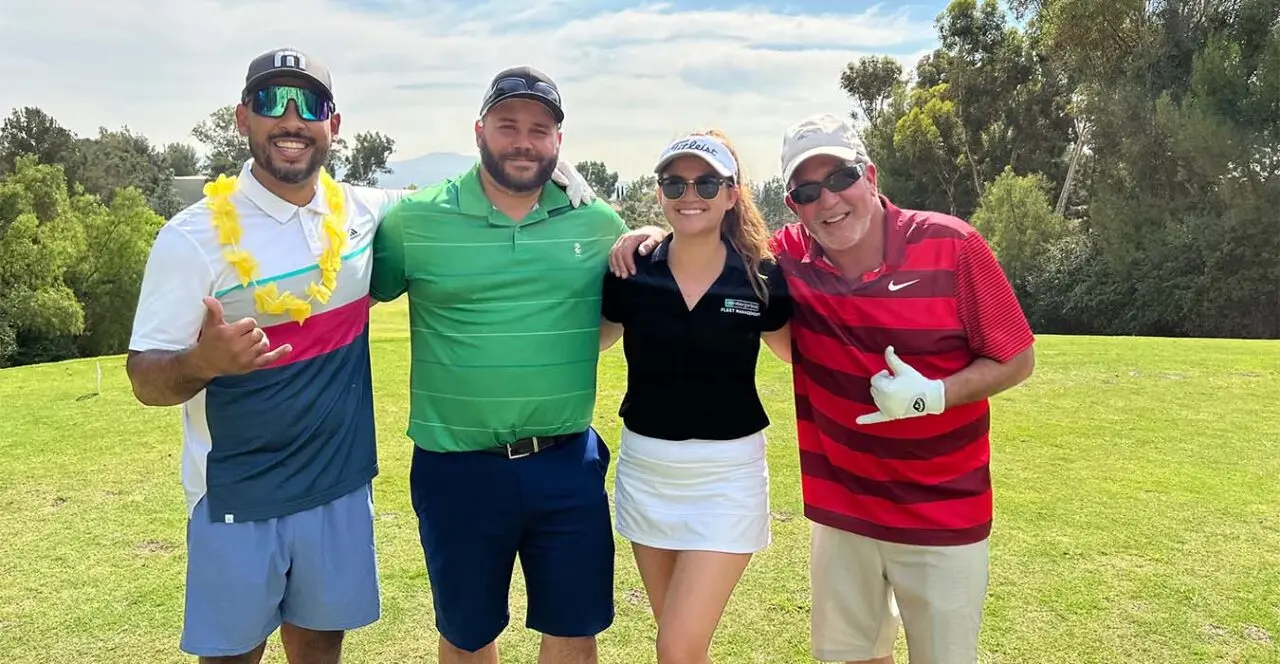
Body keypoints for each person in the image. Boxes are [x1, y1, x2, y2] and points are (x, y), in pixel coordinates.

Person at [125, 49, 595, 664]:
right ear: (243, 117)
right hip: (236, 494)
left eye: (309, 105)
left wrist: (561, 173)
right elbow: (144, 378)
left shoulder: (366, 213)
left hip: (337, 489)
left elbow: (463, 198)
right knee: (233, 656)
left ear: (334, 124)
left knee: (321, 649)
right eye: (271, 102)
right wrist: (201, 363)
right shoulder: (192, 236)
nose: (291, 120)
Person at [608, 113, 1036, 664]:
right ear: (794, 205)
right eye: (808, 191)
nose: (828, 200)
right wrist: (646, 235)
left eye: (840, 178)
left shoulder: (952, 245)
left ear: (871, 176)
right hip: (843, 511)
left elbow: (1017, 357)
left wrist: (934, 393)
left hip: (942, 513)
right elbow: (702, 234)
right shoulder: (789, 260)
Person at [368, 65, 635, 664]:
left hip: (565, 461)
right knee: (468, 633)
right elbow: (350, 292)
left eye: (540, 129)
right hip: (456, 469)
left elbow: (622, 304)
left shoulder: (595, 223)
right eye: (508, 124)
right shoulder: (414, 221)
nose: (523, 140)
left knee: (573, 629)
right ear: (479, 130)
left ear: (558, 143)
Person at [598, 130, 792, 664]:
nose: (691, 194)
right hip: (648, 472)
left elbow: (803, 355)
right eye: (675, 183)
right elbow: (585, 341)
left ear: (732, 194)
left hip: (727, 479)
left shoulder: (761, 277)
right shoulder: (631, 270)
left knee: (677, 647)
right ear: (659, 191)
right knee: (682, 647)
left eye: (707, 182)